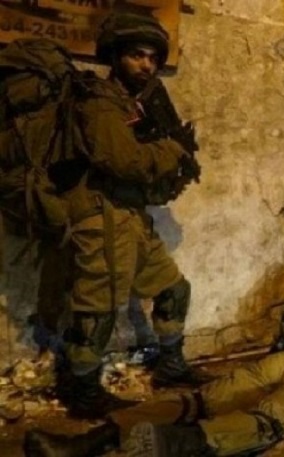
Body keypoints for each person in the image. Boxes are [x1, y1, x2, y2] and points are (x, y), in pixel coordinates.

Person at [23, 248, 284, 457]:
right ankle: (173, 444)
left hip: (276, 360)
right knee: (271, 420)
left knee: (201, 400)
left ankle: (87, 442)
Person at [52, 12, 211, 420]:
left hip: (129, 216)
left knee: (173, 288)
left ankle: (171, 365)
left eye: (153, 58)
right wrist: (171, 150)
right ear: (115, 57)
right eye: (137, 55)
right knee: (99, 306)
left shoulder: (132, 105)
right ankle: (83, 390)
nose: (147, 65)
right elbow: (123, 160)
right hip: (102, 214)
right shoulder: (100, 102)